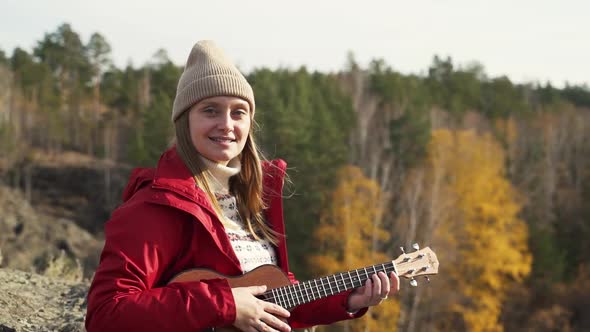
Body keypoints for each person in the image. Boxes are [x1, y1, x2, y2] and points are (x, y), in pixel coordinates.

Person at [85, 40, 400, 332]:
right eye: (210, 110)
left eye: (239, 112)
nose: (226, 124)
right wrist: (224, 304)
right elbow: (106, 314)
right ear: (185, 121)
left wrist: (347, 301)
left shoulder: (252, 198)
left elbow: (274, 305)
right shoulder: (154, 207)